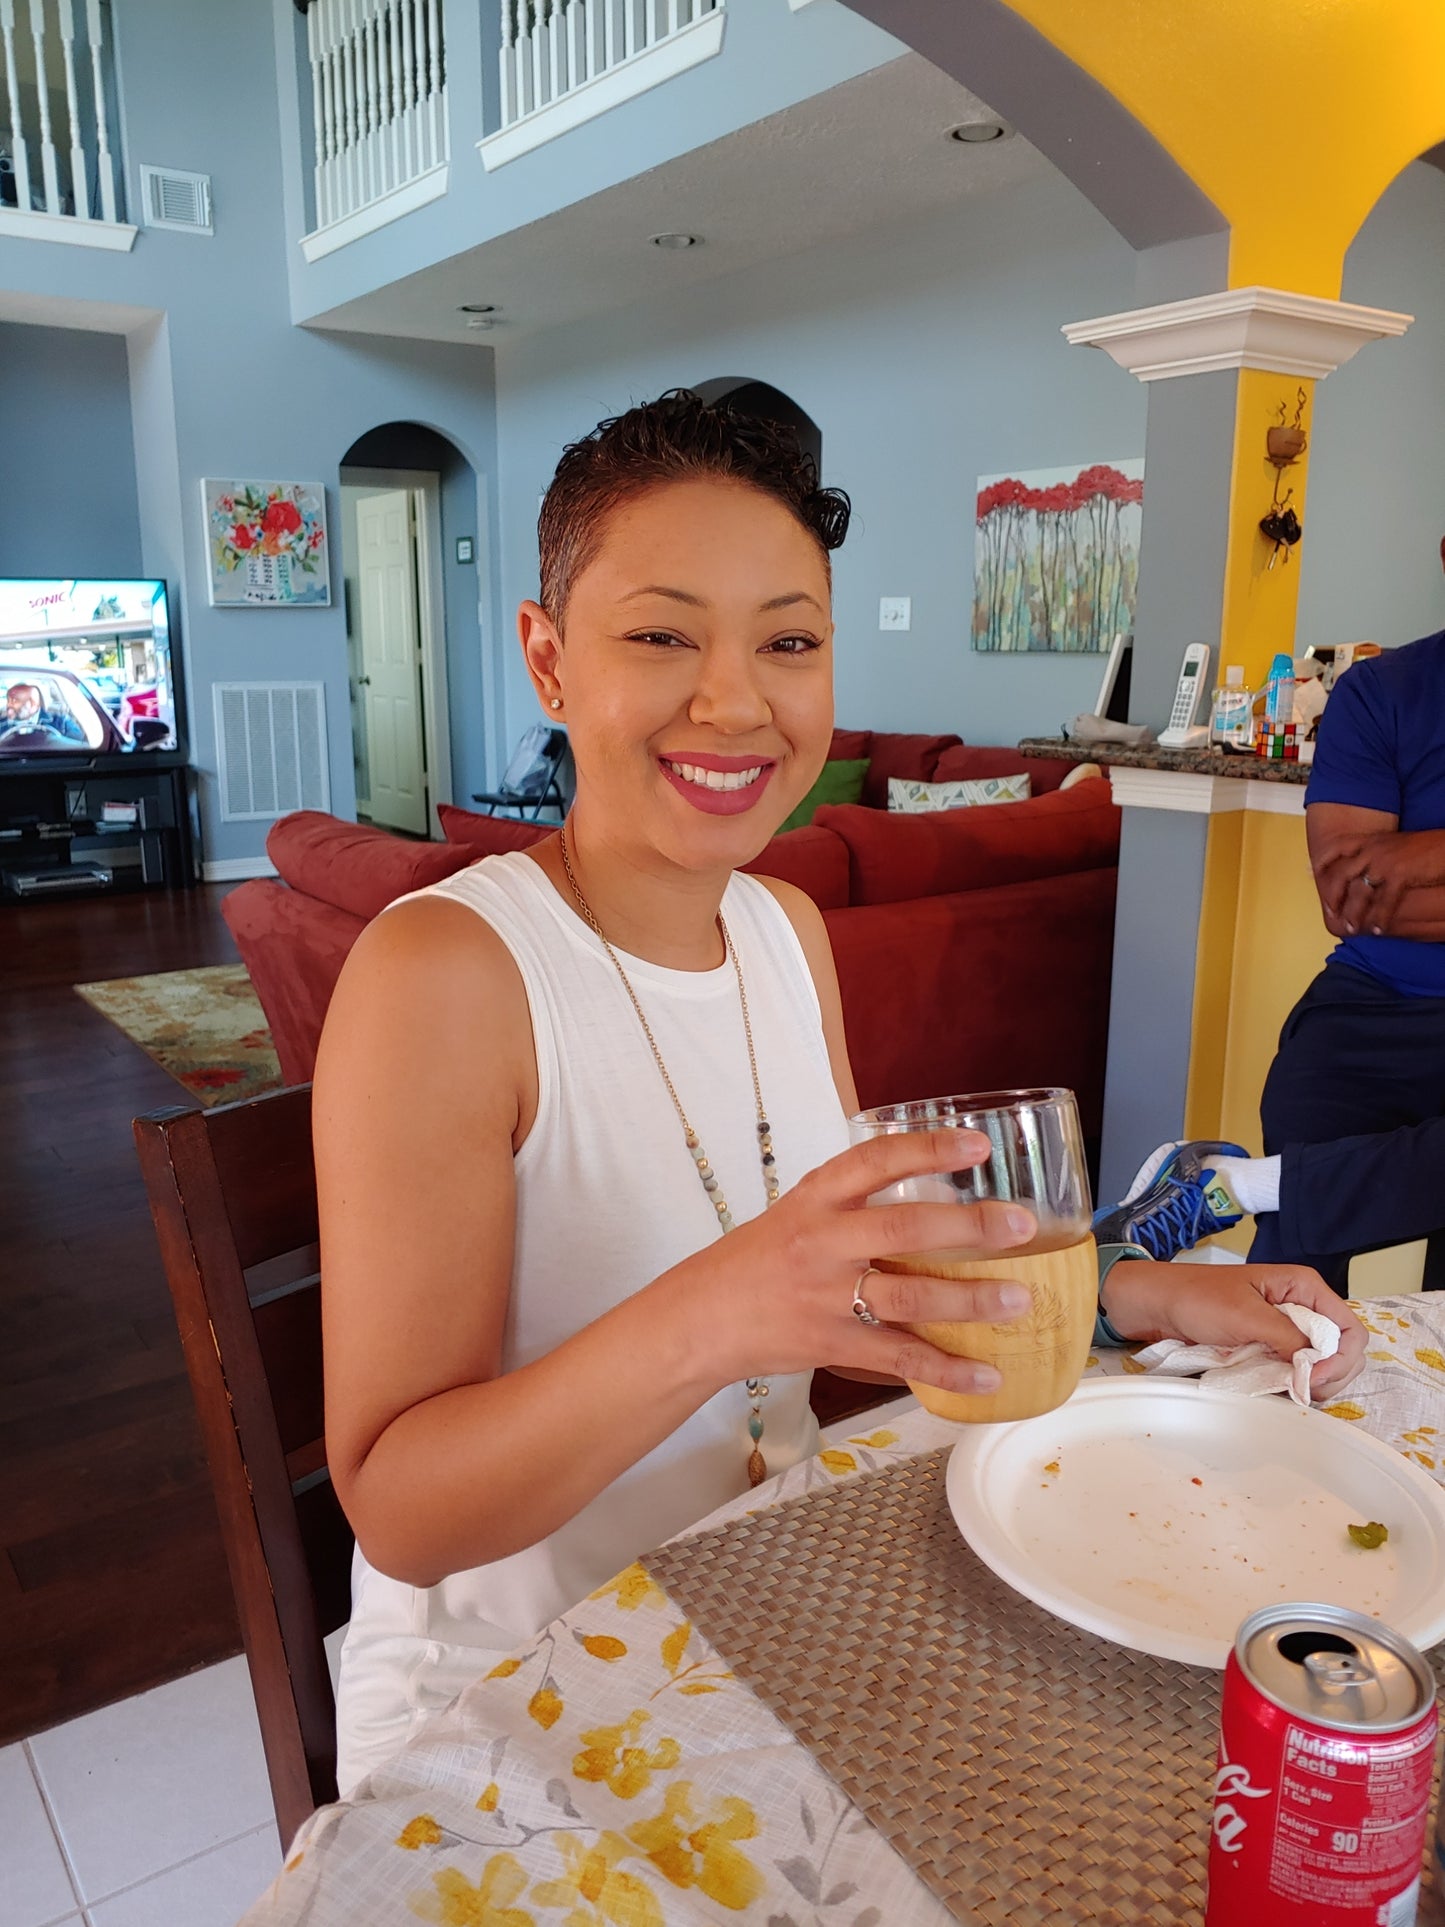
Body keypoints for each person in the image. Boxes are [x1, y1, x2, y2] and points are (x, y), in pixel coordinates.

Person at [315, 394, 1365, 1794]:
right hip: (514, 1688)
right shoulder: (444, 968)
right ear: (547, 660)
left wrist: (1134, 1295)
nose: (735, 699)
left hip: (757, 1596)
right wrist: (716, 1308)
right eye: (662, 633)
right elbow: (402, 1507)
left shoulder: (781, 928)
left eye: (789, 640)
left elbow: (864, 1283)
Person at [1095, 629, 1445, 1294]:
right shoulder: (1382, 691)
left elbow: (1381, 883)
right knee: (1308, 1111)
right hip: (1373, 1001)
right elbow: (1347, 892)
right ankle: (1271, 1371)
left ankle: (1239, 1189)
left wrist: (1410, 863)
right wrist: (1379, 885)